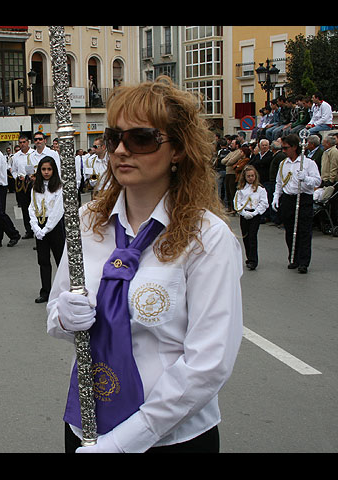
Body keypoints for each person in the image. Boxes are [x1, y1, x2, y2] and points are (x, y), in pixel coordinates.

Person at [46, 76, 243, 453]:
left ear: (178, 150)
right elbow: (57, 316)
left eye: (140, 139)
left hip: (171, 438)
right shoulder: (87, 223)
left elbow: (208, 363)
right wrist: (65, 317)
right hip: (88, 426)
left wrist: (124, 443)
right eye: (112, 137)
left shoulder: (207, 237)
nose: (120, 150)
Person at [272, 133, 322, 274]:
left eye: (286, 148)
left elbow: (317, 181)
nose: (283, 150)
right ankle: (293, 257)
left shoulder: (308, 163)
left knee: (304, 231)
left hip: (303, 198)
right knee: (289, 230)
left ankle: (304, 262)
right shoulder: (283, 163)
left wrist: (305, 178)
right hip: (288, 198)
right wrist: (276, 197)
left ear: (294, 147)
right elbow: (279, 182)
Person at [29, 156, 65, 303]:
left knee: (60, 260)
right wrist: (35, 227)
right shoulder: (36, 187)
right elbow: (31, 207)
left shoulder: (58, 187)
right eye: (43, 169)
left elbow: (58, 210)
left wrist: (47, 228)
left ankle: (63, 290)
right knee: (43, 260)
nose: (46, 172)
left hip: (54, 226)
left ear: (54, 170)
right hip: (40, 225)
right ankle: (45, 291)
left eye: (49, 169)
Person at [233, 165, 268, 270]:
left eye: (252, 176)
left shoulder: (260, 189)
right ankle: (249, 257)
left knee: (253, 237)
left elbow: (264, 203)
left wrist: (255, 213)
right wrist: (242, 212)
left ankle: (253, 260)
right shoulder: (241, 189)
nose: (251, 178)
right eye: (248, 176)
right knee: (246, 236)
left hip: (254, 215)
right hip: (244, 214)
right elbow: (236, 202)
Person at [11, 134, 36, 239]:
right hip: (22, 184)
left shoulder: (34, 154)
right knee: (25, 208)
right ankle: (28, 230)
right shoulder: (16, 156)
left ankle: (37, 228)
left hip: (33, 183)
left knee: (35, 206)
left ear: (28, 142)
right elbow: (13, 170)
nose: (22, 144)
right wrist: (18, 176)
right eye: (20, 143)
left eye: (24, 142)